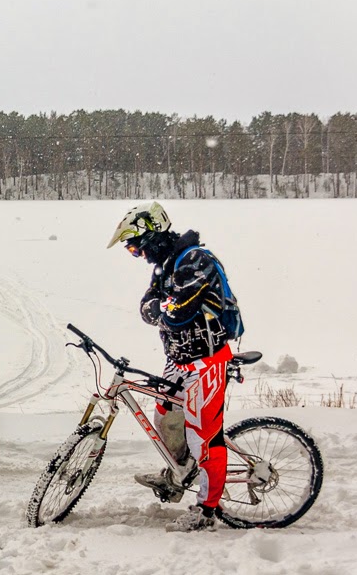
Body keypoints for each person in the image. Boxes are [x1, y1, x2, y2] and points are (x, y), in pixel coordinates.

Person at [108, 201, 237, 532]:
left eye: (136, 247)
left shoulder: (196, 260)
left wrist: (163, 306)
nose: (137, 254)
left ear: (153, 235)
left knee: (203, 438)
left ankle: (206, 511)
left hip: (207, 360)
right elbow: (148, 308)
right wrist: (162, 306)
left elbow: (177, 310)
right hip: (179, 360)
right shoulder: (165, 266)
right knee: (164, 418)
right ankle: (179, 474)